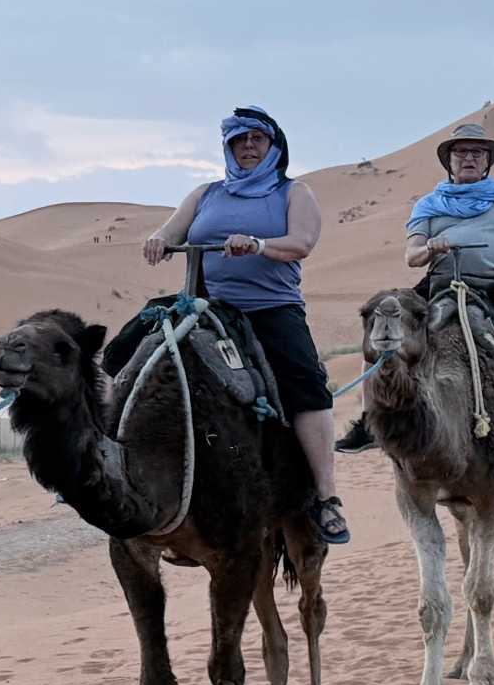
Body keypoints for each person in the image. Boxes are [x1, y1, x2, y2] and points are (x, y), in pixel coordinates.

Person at [141, 106, 350, 545]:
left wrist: (257, 245)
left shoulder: (293, 193)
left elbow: (302, 243)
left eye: (257, 139)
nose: (248, 147)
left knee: (306, 385)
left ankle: (326, 496)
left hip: (271, 308)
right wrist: (159, 240)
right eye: (239, 140)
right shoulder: (206, 194)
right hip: (206, 305)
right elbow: (173, 230)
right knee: (131, 353)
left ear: (274, 146)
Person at [334, 122, 494, 470]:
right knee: (381, 337)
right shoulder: (430, 205)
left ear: (487, 160)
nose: (469, 158)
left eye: (477, 152)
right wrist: (431, 248)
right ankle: (369, 422)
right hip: (438, 284)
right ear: (450, 160)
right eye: (461, 152)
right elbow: (412, 256)